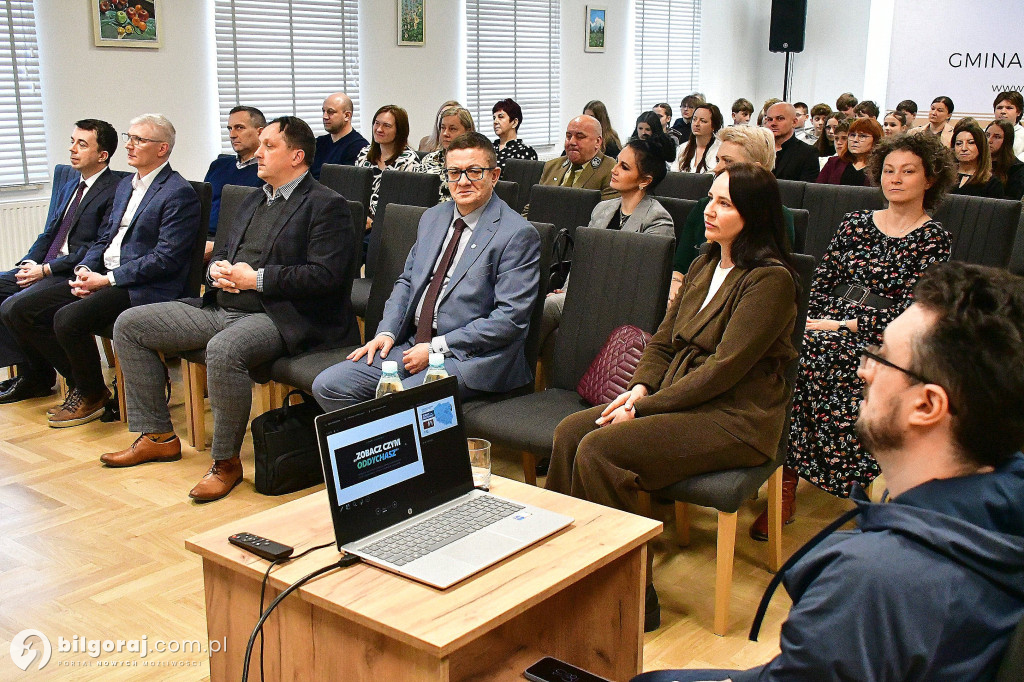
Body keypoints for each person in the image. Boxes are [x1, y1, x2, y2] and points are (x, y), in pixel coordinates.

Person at [637, 262, 1024, 682]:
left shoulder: (871, 586)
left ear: (926, 406)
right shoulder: (1004, 503)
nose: (863, 370)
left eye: (882, 358)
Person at [547, 163, 799, 632]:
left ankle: (632, 595)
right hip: (678, 398)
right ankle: (568, 566)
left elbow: (725, 370)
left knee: (602, 449)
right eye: (711, 198)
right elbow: (662, 341)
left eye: (725, 203)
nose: (710, 209)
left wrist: (641, 407)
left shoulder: (770, 280)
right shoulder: (706, 263)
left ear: (754, 213)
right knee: (570, 432)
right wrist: (637, 388)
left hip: (735, 418)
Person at [104, 116, 355, 502]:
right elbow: (220, 253)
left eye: (269, 146)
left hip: (279, 316)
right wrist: (216, 270)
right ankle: (157, 434)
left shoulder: (325, 205)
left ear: (297, 156)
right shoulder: (253, 197)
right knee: (131, 324)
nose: (258, 152)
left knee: (224, 350)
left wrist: (256, 279)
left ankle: (226, 462)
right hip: (222, 305)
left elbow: (326, 277)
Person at [750, 133, 955, 540]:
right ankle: (766, 464)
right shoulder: (856, 222)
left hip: (884, 333)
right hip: (827, 318)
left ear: (929, 179)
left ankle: (792, 480)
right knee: (783, 349)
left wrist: (844, 327)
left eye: (908, 171)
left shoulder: (934, 238)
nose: (895, 179)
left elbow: (917, 311)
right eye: (889, 170)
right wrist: (809, 317)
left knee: (822, 358)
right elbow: (822, 281)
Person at [313, 132, 540, 410]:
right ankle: (380, 450)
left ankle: (397, 448)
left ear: (494, 175)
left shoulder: (517, 234)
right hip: (413, 343)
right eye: (454, 172)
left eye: (474, 171)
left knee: (397, 403)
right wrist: (386, 333)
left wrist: (436, 348)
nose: (463, 181)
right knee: (330, 386)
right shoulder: (433, 217)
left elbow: (509, 320)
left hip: (473, 359)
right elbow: (407, 282)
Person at [2, 114, 200, 427]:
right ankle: (73, 384)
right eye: (129, 137)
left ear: (162, 149)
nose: (130, 145)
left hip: (142, 286)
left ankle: (92, 392)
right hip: (105, 277)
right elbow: (104, 239)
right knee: (24, 309)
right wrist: (84, 270)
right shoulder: (126, 186)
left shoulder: (177, 192)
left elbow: (166, 259)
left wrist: (105, 279)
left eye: (139, 140)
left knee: (67, 318)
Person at [0, 119, 120, 404]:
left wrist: (47, 270)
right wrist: (29, 262)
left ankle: (81, 382)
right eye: (72, 141)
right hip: (48, 264)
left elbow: (97, 247)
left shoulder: (115, 189)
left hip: (76, 270)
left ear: (102, 155)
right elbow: (50, 231)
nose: (72, 149)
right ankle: (35, 376)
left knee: (16, 307)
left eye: (82, 144)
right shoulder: (71, 183)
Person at [539, 136, 676, 371]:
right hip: (587, 294)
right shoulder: (603, 209)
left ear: (644, 180)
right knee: (540, 302)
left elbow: (647, 280)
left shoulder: (657, 219)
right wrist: (569, 288)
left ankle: (519, 370)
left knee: (547, 307)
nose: (613, 170)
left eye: (624, 167)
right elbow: (584, 256)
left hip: (622, 302)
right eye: (617, 163)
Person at [670, 126, 797, 299]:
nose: (717, 168)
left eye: (728, 162)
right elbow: (680, 266)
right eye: (718, 160)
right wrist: (675, 288)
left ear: (755, 170)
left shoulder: (779, 217)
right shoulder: (703, 207)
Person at [203, 106, 266, 258]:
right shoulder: (218, 165)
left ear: (260, 132)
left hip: (234, 243)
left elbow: (258, 223)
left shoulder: (266, 171)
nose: (232, 135)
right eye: (230, 128)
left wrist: (218, 244)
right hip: (202, 236)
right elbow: (202, 207)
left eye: (239, 128)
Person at [354, 104, 421, 231]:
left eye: (386, 125)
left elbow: (405, 207)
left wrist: (373, 223)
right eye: (376, 123)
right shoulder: (364, 154)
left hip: (390, 227)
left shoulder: (409, 161)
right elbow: (355, 192)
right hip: (360, 221)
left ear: (399, 130)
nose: (379, 129)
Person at [537, 115, 618, 201]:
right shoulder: (552, 166)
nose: (571, 142)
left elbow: (604, 212)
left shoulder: (610, 170)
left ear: (597, 142)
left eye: (580, 137)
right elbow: (534, 204)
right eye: (568, 136)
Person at [419, 106, 474, 203]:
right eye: (443, 128)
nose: (445, 133)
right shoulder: (429, 159)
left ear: (468, 132)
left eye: (452, 129)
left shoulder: (475, 163)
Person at [310, 92, 368, 179]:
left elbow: (343, 185)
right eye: (323, 111)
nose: (325, 116)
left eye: (330, 112)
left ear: (347, 116)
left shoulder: (359, 147)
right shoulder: (319, 143)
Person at [816, 117, 882, 186]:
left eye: (862, 136)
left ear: (876, 140)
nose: (855, 140)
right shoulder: (834, 163)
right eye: (852, 135)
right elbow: (818, 190)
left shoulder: (880, 167)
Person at [765, 102, 820, 182]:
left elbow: (806, 190)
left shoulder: (807, 153)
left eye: (780, 118)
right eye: (770, 119)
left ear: (794, 122)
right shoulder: (759, 149)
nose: (773, 123)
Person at [950, 122, 1005, 198]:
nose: (963, 148)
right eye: (959, 143)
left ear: (981, 146)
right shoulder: (944, 178)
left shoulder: (992, 184)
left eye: (971, 143)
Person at [673, 103, 723, 173]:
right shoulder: (682, 148)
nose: (696, 124)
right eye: (694, 119)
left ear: (714, 126)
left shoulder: (721, 149)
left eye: (703, 121)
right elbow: (674, 176)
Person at [491, 98, 537, 170]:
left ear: (514, 122)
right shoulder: (489, 148)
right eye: (494, 118)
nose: (495, 121)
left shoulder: (525, 151)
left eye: (501, 117)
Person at [987, 119, 1024, 200]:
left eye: (997, 137)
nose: (989, 140)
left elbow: (1012, 201)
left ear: (1007, 140)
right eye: (987, 135)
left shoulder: (1017, 168)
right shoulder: (977, 162)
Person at [993, 90, 1024, 161]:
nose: (1003, 112)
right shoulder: (984, 133)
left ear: (1018, 112)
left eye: (1009, 108)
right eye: (999, 108)